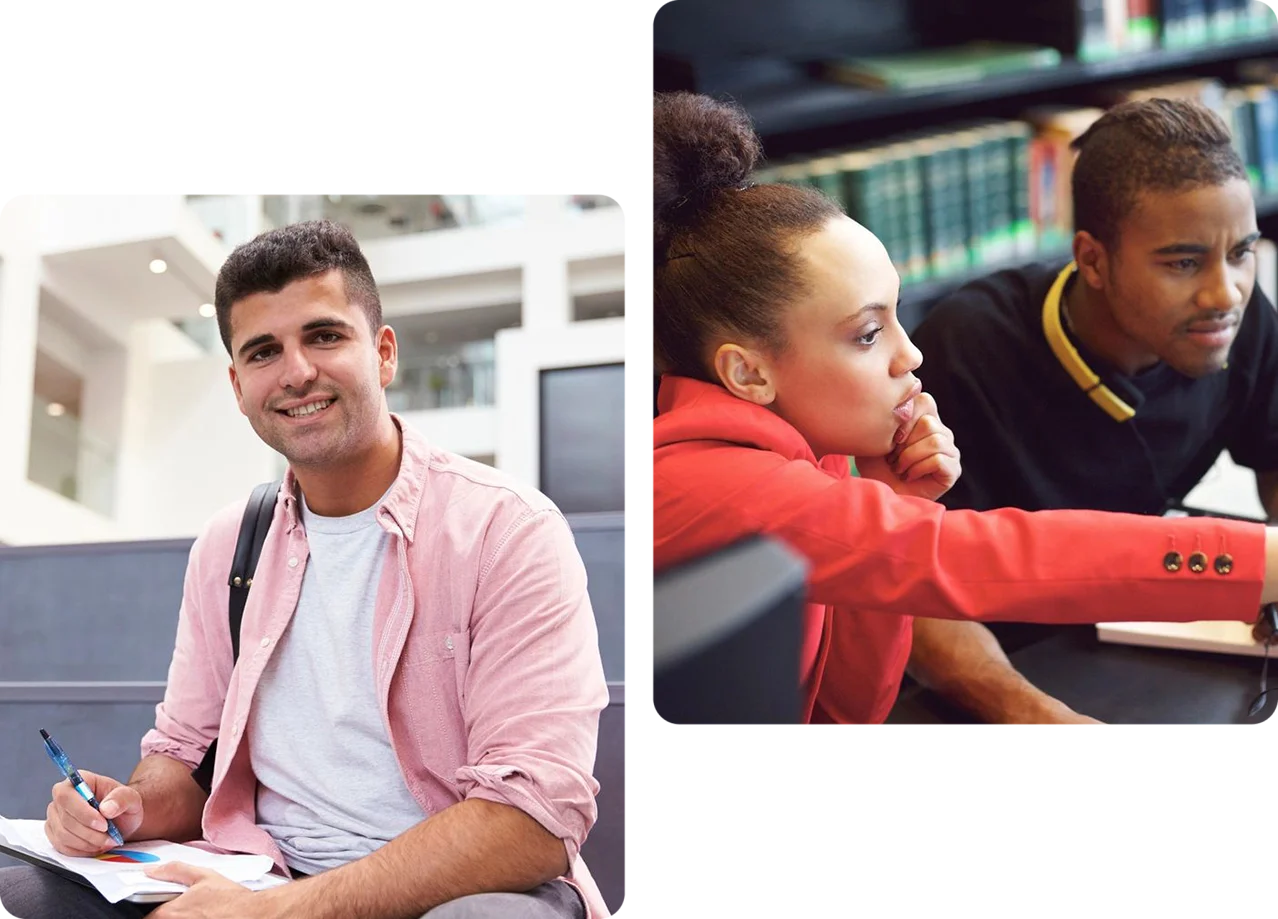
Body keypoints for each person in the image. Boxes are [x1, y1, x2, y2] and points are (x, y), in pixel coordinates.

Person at [0, 221, 609, 918]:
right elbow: (184, 755)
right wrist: (130, 808)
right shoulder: (231, 545)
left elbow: (532, 820)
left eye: (323, 336)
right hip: (260, 871)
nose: (295, 371)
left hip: (449, 890)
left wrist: (282, 911)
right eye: (264, 351)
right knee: (17, 895)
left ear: (382, 352)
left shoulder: (507, 528)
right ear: (238, 385)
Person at [648, 91, 1278, 729]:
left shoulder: (816, 457)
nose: (911, 355)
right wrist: (1258, 563)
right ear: (747, 372)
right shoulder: (713, 484)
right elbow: (983, 556)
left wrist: (894, 501)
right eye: (869, 335)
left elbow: (845, 714)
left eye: (897, 318)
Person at [908, 98, 1278, 712]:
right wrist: (1025, 712)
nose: (1225, 292)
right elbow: (906, 582)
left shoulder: (1240, 320)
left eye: (1241, 252)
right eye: (1183, 262)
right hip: (998, 659)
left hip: (1131, 637)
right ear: (1093, 261)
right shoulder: (964, 349)